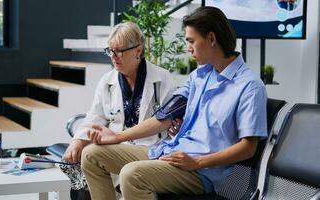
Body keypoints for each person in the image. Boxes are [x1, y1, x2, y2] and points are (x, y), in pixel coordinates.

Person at [81, 6, 268, 200]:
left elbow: (248, 147)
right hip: (173, 152)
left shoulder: (250, 86)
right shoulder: (198, 77)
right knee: (92, 155)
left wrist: (198, 162)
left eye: (191, 41)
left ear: (211, 39)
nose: (188, 48)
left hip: (202, 172)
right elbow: (164, 117)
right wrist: (117, 137)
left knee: (131, 175)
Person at [61, 22, 175, 199]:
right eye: (110, 51)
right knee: (87, 153)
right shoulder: (107, 81)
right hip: (118, 149)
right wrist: (77, 140)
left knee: (92, 154)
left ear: (138, 51)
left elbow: (170, 122)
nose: (113, 57)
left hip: (151, 148)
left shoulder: (162, 79)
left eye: (119, 51)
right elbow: (95, 116)